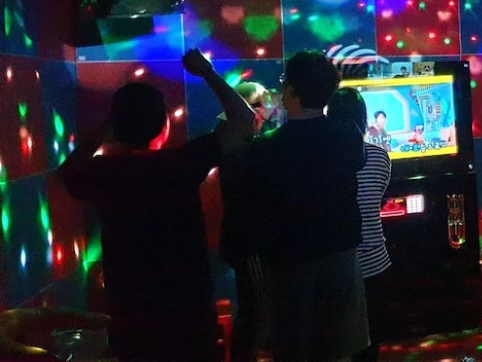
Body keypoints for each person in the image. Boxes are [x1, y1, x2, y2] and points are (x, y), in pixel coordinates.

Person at [57, 49, 255, 361]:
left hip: (130, 308)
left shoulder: (103, 173)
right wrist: (207, 72)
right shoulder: (181, 163)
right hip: (187, 304)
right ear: (165, 124)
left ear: (115, 127)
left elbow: (66, 173)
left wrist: (109, 126)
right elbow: (244, 120)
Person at [241, 51, 368, 361]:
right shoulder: (348, 135)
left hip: (290, 258)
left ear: (292, 91)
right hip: (341, 250)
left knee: (293, 343)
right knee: (338, 344)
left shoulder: (266, 146)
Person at [327, 88, 393, 362]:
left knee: (336, 341)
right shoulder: (380, 156)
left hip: (335, 261)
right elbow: (377, 199)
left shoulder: (322, 158)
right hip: (376, 261)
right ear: (364, 120)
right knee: (370, 340)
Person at [218, 81, 277, 361]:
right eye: (262, 108)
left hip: (246, 238)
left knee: (256, 310)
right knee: (257, 310)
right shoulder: (239, 144)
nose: (266, 115)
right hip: (248, 240)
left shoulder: (233, 139)